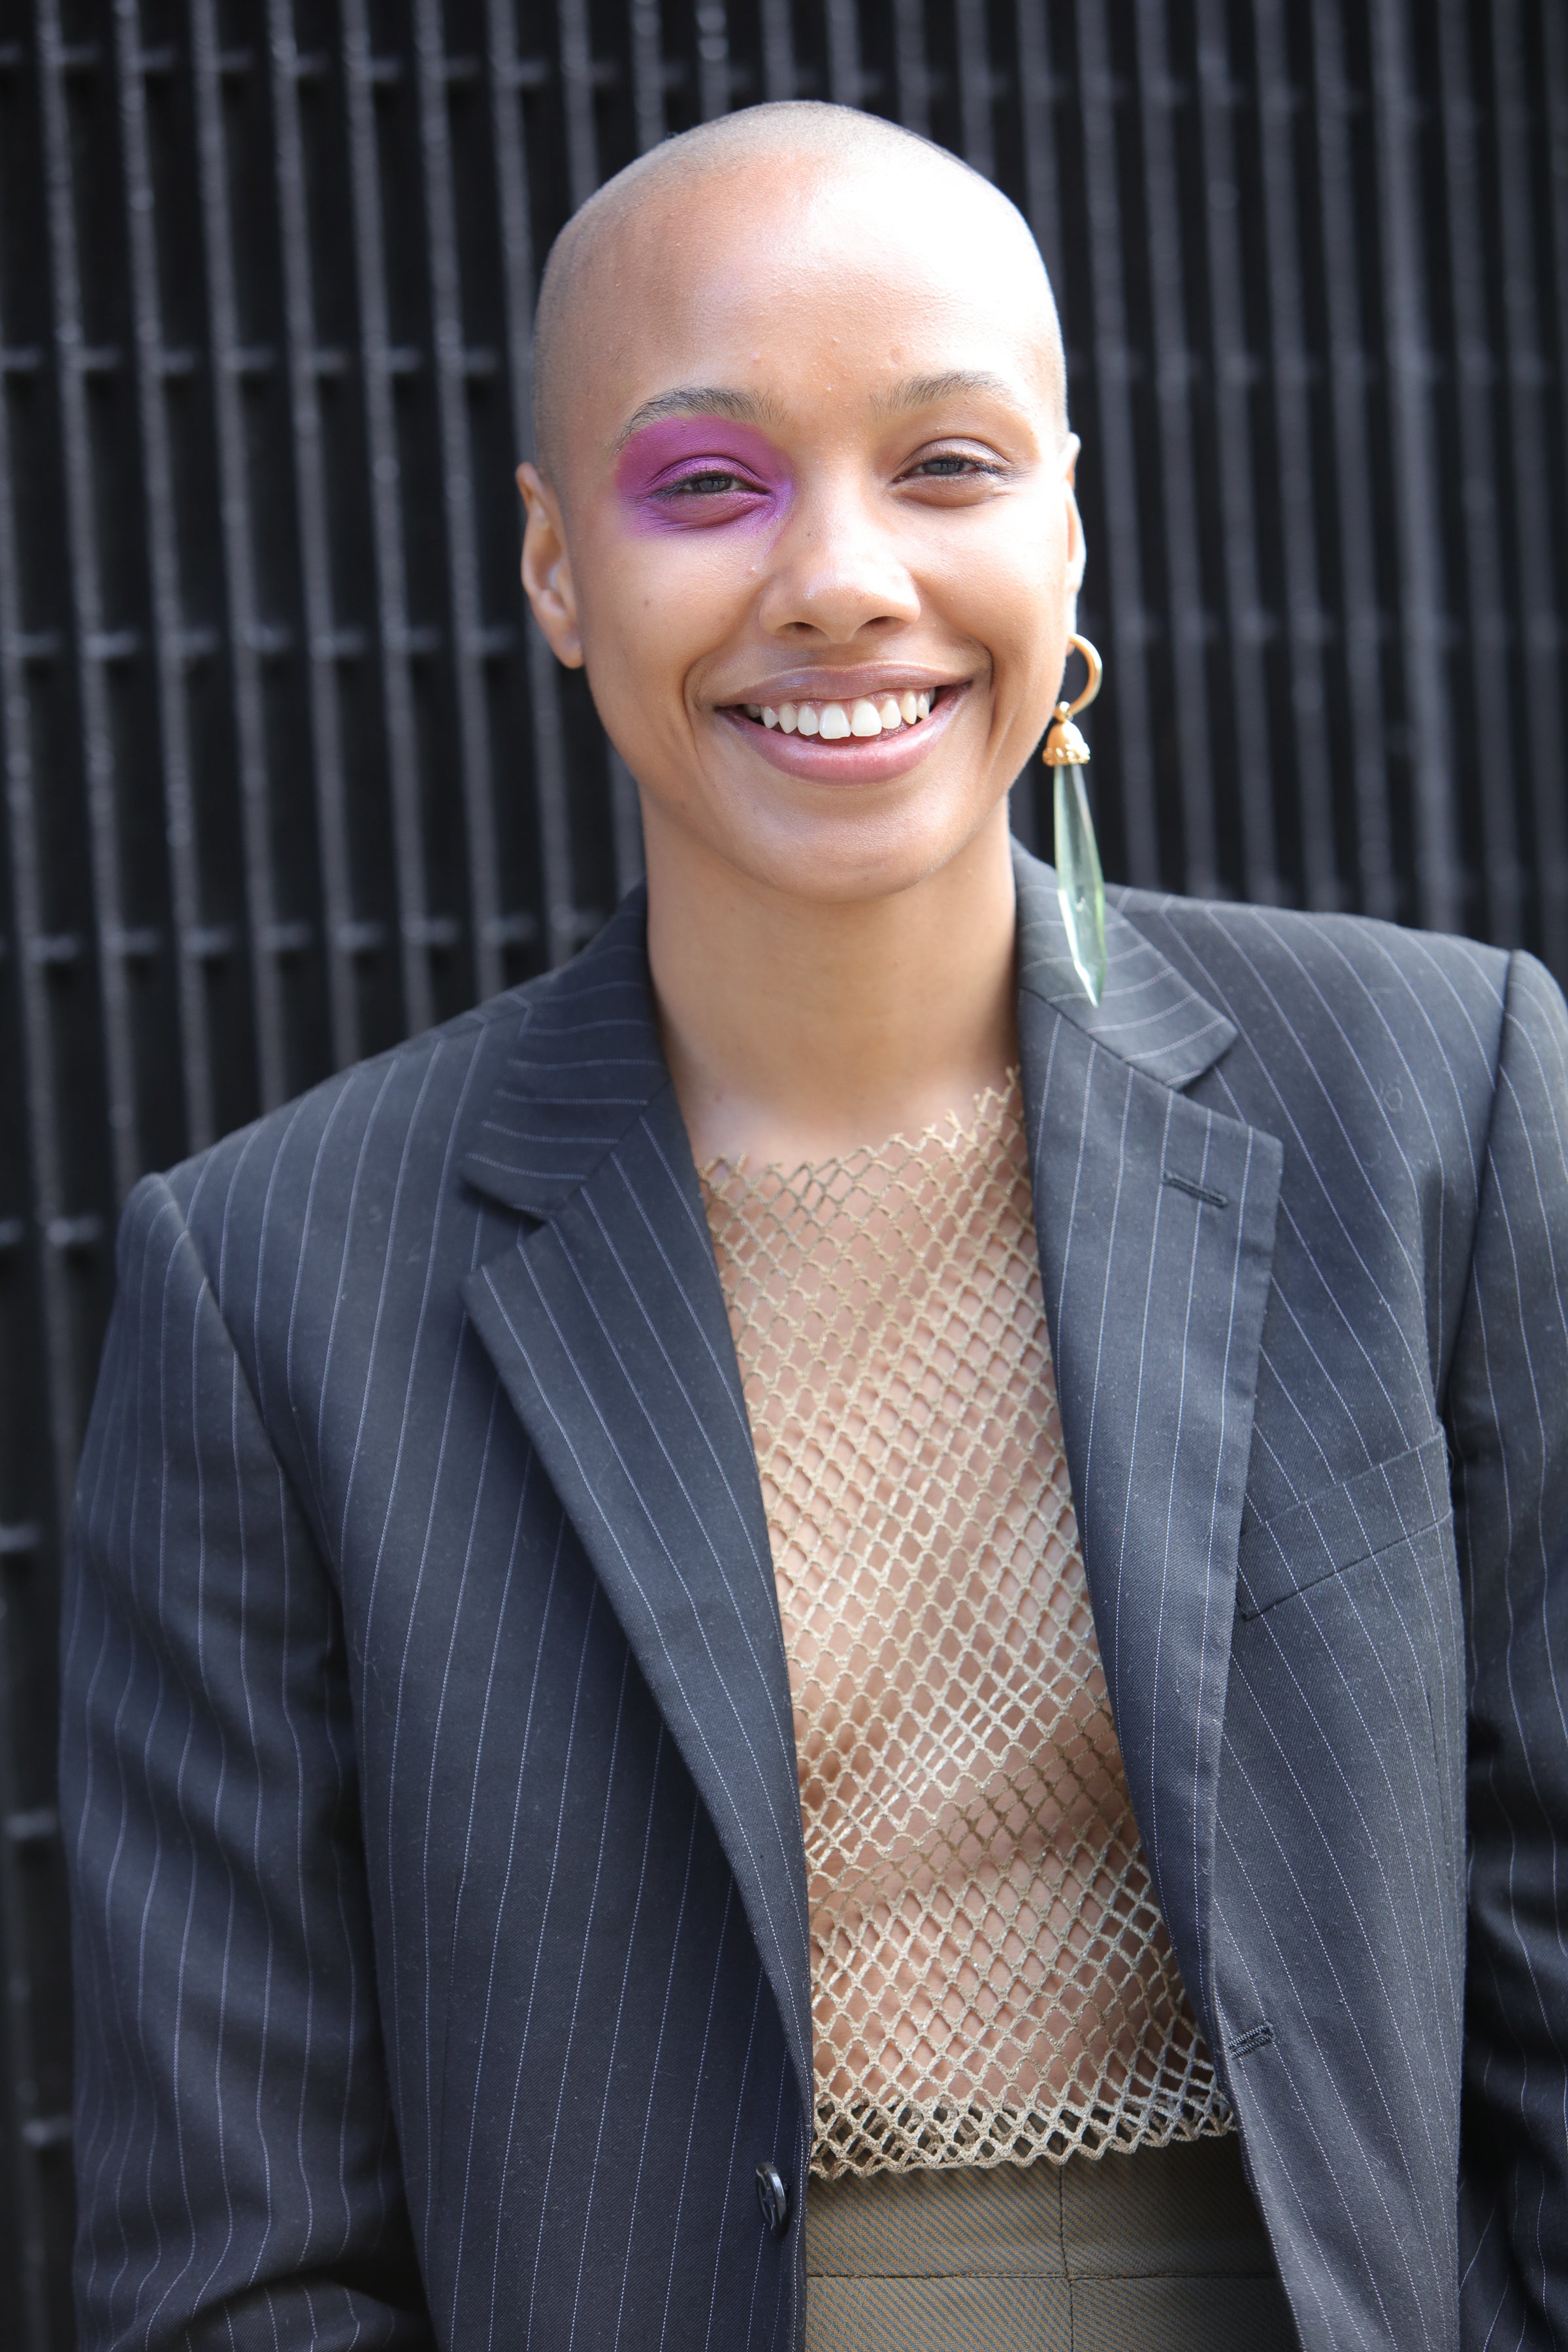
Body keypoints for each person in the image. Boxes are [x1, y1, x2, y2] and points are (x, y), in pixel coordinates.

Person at [61, 100, 1566, 2352]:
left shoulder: (1438, 1099)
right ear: (557, 567)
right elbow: (233, 2259)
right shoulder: (270, 1286)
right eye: (706, 485)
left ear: (1072, 522)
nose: (841, 577)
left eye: (946, 465)